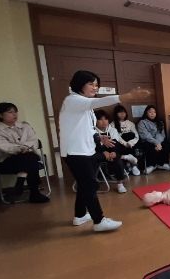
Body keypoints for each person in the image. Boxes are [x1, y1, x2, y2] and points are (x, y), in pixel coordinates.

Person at [59, 70, 149, 232]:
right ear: (79, 84)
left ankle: (80, 215)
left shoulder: (84, 105)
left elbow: (88, 128)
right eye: (91, 84)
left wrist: (100, 137)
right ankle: (99, 221)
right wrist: (128, 96)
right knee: (90, 185)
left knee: (84, 185)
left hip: (86, 151)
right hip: (76, 153)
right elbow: (99, 102)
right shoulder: (73, 100)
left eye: (96, 84)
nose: (95, 87)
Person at [0, 102, 49, 203]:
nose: (15, 114)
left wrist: (25, 148)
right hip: (6, 162)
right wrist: (21, 148)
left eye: (15, 112)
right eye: (10, 112)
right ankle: (34, 194)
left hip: (27, 159)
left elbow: (34, 140)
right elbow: (4, 146)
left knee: (30, 158)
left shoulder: (25, 126)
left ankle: (21, 181)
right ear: (0, 115)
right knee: (32, 158)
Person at [94, 110, 128, 194]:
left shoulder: (112, 130)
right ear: (95, 121)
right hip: (98, 152)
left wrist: (114, 153)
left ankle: (120, 184)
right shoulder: (92, 131)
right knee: (116, 156)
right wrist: (104, 152)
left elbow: (116, 144)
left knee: (115, 147)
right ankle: (123, 157)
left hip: (112, 151)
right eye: (100, 119)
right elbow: (93, 146)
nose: (104, 121)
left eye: (106, 119)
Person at [138, 105, 170, 174]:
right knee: (149, 147)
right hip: (147, 141)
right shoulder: (142, 122)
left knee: (167, 145)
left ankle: (161, 164)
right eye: (150, 112)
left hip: (159, 141)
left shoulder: (160, 122)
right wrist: (156, 143)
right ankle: (152, 165)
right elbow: (145, 135)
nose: (152, 114)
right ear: (146, 113)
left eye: (154, 112)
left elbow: (162, 135)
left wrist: (159, 143)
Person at [112, 104, 140, 176]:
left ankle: (131, 165)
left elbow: (136, 136)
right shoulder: (112, 124)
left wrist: (130, 143)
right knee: (124, 136)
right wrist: (125, 144)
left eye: (123, 112)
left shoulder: (130, 123)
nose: (122, 114)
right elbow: (116, 137)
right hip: (121, 144)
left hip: (131, 144)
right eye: (119, 112)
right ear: (116, 114)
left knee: (130, 135)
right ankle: (130, 164)